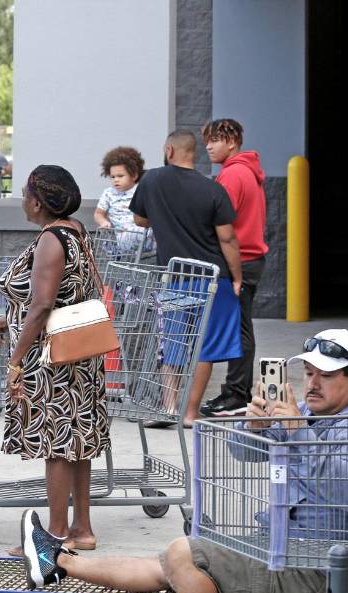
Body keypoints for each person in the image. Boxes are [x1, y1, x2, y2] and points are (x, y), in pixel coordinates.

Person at [18, 330, 348, 593]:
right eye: (308, 373)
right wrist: (253, 425)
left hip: (309, 565)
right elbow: (244, 453)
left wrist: (297, 432)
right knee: (168, 564)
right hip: (280, 549)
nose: (311, 384)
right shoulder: (311, 414)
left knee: (181, 555)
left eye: (324, 375)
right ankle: (57, 562)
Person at [0, 165, 110, 553]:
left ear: (37, 202)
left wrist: (16, 361)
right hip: (79, 353)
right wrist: (8, 321)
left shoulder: (50, 240)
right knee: (77, 440)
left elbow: (42, 306)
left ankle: (56, 534)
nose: (22, 199)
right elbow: (63, 294)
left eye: (25, 193)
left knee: (57, 445)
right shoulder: (74, 231)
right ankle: (82, 529)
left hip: (52, 359)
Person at [130, 129, 242, 427]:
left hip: (175, 277)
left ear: (169, 150)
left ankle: (169, 407)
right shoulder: (213, 189)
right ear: (195, 153)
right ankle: (190, 412)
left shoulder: (151, 180)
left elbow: (139, 220)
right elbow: (228, 239)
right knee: (205, 346)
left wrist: (164, 217)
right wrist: (238, 277)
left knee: (174, 343)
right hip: (212, 278)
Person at [199, 119, 268, 419]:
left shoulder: (233, 175)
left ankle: (237, 394)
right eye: (207, 142)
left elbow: (221, 223)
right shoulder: (246, 171)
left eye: (216, 140)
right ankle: (235, 391)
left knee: (238, 328)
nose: (209, 146)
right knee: (241, 325)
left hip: (240, 259)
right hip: (251, 258)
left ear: (233, 142)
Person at [93, 146, 146, 231]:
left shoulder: (141, 190)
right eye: (112, 177)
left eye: (120, 176)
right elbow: (98, 213)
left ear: (134, 175)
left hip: (139, 235)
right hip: (117, 237)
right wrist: (103, 222)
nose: (116, 180)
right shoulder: (109, 193)